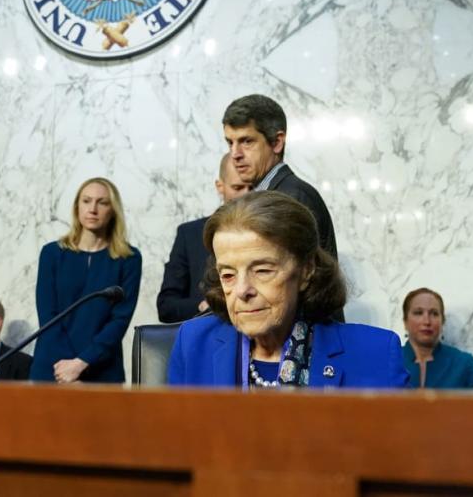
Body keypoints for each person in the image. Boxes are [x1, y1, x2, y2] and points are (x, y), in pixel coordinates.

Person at [168, 191, 408, 389]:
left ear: (306, 270)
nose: (242, 290)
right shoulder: (193, 343)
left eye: (262, 271)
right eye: (228, 275)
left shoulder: (374, 353)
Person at [32, 177, 142, 384]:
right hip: (53, 367)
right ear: (77, 207)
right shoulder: (52, 253)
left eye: (102, 202)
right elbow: (48, 315)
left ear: (113, 210)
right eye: (86, 201)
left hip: (102, 370)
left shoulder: (129, 258)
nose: (92, 209)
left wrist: (82, 362)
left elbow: (120, 319)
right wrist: (68, 368)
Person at [222, 94, 337, 258]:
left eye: (246, 141)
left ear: (277, 142)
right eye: (230, 143)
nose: (235, 154)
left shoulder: (294, 197)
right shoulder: (268, 195)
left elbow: (303, 277)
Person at [157, 154, 251, 323]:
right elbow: (166, 306)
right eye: (238, 188)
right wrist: (203, 306)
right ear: (219, 186)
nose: (246, 195)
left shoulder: (270, 236)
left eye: (253, 187)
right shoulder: (189, 234)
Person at [401, 288, 473, 389]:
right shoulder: (387, 363)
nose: (427, 321)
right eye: (418, 313)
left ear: (442, 322)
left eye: (434, 313)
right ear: (405, 321)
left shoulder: (464, 364)